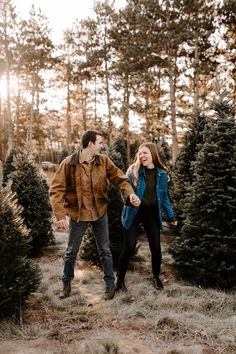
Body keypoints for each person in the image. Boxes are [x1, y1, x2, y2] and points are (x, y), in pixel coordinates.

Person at [49, 130, 140, 300]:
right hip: (78, 215)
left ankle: (110, 286)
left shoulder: (103, 161)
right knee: (71, 252)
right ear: (90, 144)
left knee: (105, 250)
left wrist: (130, 194)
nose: (102, 146)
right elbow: (56, 190)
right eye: (100, 142)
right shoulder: (68, 163)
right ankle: (66, 285)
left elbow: (121, 179)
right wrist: (61, 216)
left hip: (99, 213)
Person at [116, 142, 177, 293]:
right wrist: (130, 199)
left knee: (156, 248)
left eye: (145, 153)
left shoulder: (162, 174)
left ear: (153, 155)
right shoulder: (133, 171)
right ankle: (120, 280)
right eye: (140, 153)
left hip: (152, 213)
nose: (142, 156)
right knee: (129, 247)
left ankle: (156, 277)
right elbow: (124, 191)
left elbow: (164, 197)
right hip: (133, 212)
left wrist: (171, 216)